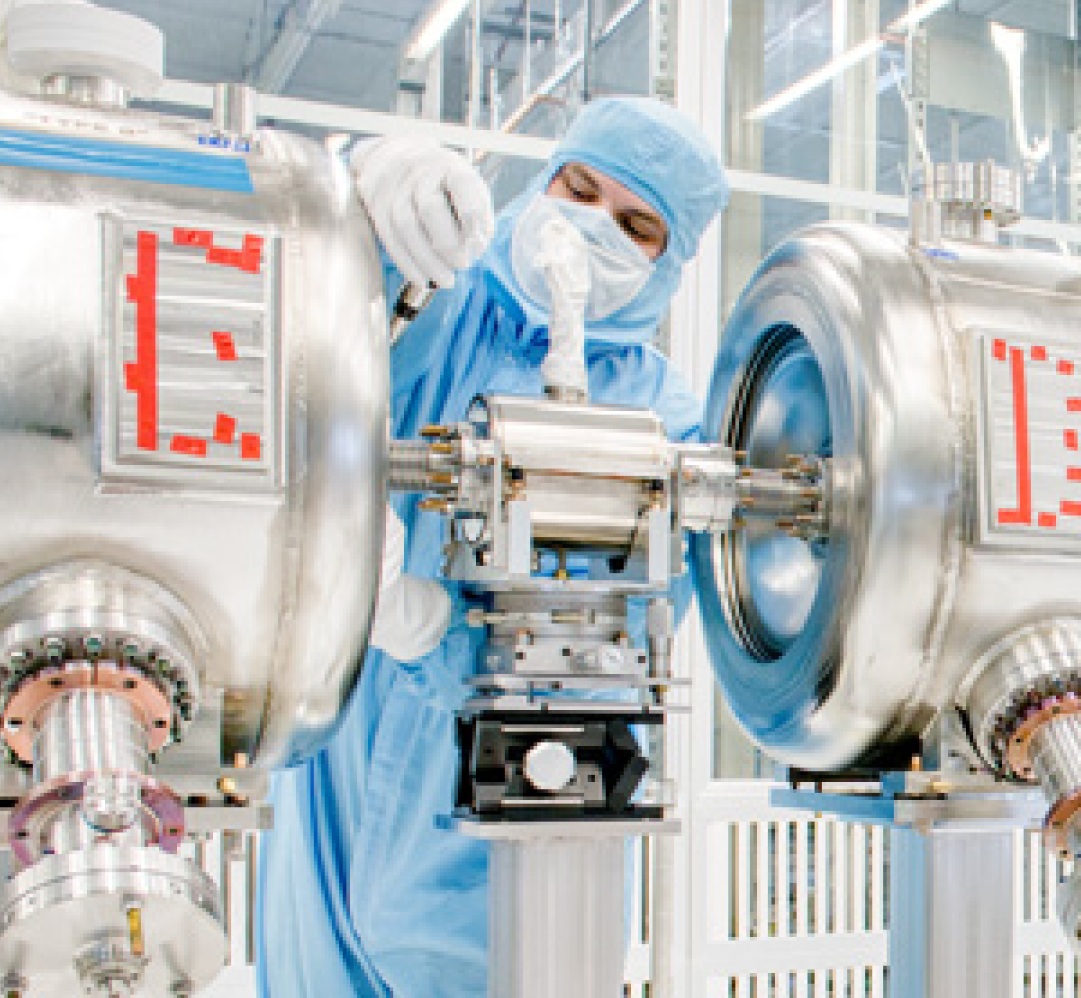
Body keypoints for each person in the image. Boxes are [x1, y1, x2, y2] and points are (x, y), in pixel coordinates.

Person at [259, 97, 727, 997]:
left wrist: (431, 635)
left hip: (498, 825)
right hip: (337, 766)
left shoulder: (667, 420)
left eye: (636, 226)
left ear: (672, 264)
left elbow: (621, 649)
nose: (590, 228)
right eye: (577, 187)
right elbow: (310, 328)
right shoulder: (442, 302)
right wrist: (372, 188)